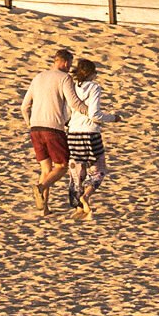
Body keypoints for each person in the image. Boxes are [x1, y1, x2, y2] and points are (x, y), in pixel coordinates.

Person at [23, 46, 78, 219]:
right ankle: (40, 188)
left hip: (35, 128)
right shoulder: (64, 78)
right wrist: (88, 113)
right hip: (53, 128)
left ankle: (44, 208)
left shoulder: (38, 77)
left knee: (46, 168)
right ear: (65, 62)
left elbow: (24, 106)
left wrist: (29, 124)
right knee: (61, 166)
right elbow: (73, 103)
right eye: (69, 64)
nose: (70, 67)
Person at [66, 54, 109, 214]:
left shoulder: (71, 87)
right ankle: (86, 196)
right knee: (99, 170)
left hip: (73, 133)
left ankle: (77, 206)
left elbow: (67, 112)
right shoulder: (94, 88)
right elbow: (95, 114)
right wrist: (112, 118)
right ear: (90, 73)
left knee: (77, 172)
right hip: (90, 133)